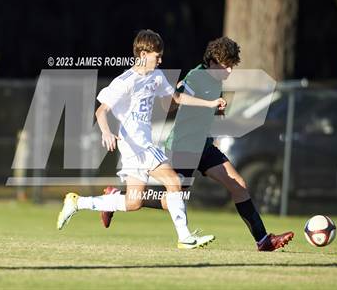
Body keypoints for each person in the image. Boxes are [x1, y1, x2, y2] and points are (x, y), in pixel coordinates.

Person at [101, 36, 294, 252]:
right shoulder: (196, 77)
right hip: (183, 147)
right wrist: (176, 94)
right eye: (226, 66)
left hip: (204, 147)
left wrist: (216, 111)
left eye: (232, 66)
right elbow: (172, 102)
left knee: (238, 184)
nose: (229, 71)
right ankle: (118, 197)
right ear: (212, 62)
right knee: (174, 199)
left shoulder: (216, 79)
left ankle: (263, 240)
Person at [57, 29, 227, 249]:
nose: (161, 59)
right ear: (144, 54)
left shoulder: (156, 76)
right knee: (174, 182)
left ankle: (77, 202)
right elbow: (101, 111)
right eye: (157, 55)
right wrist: (106, 132)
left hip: (135, 148)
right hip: (137, 145)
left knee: (133, 201)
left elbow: (176, 98)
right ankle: (185, 237)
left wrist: (210, 103)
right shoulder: (125, 81)